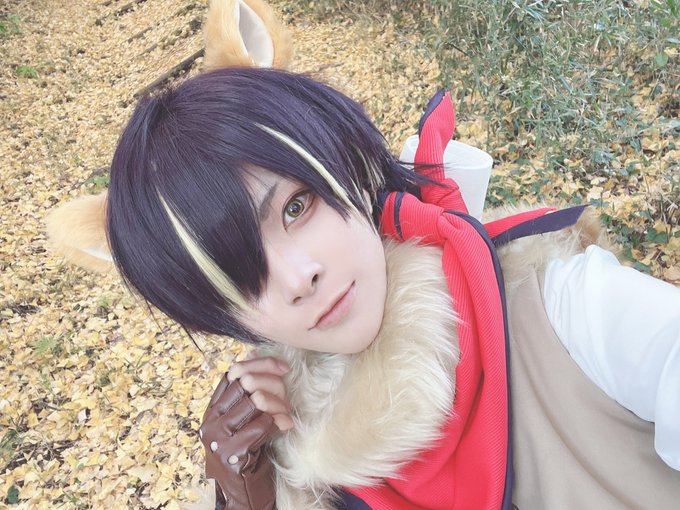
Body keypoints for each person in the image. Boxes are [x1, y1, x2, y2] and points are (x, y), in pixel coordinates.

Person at [102, 67, 680, 510]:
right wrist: (251, 493)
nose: (299, 278)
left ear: (346, 168)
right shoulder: (296, 446)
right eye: (239, 276)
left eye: (297, 207)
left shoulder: (561, 306)